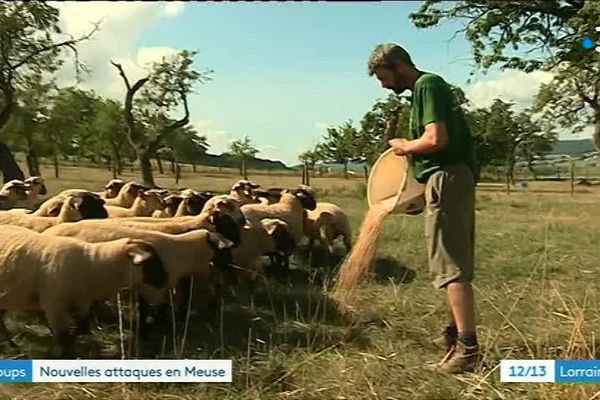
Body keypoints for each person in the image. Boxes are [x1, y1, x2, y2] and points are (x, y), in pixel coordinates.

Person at [367, 43, 480, 374]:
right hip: (447, 178)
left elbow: (435, 140)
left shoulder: (427, 85)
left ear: (399, 65)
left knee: (450, 263)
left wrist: (404, 146)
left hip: (446, 178)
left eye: (383, 76)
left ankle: (468, 350)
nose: (384, 85)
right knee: (453, 259)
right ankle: (456, 333)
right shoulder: (420, 93)